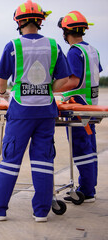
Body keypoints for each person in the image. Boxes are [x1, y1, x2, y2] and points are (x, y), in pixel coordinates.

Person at [0, 0, 71, 222]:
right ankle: (41, 212)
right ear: (40, 21)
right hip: (46, 112)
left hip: (21, 111)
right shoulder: (53, 46)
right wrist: (48, 88)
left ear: (18, 22)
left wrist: (3, 92)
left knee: (11, 159)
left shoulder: (13, 46)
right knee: (43, 160)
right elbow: (65, 79)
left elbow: (2, 80)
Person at [57, 11, 103, 203]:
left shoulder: (75, 52)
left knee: (81, 148)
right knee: (89, 147)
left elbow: (74, 81)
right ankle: (89, 186)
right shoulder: (92, 50)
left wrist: (52, 89)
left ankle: (86, 191)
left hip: (78, 106)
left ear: (66, 32)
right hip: (91, 105)